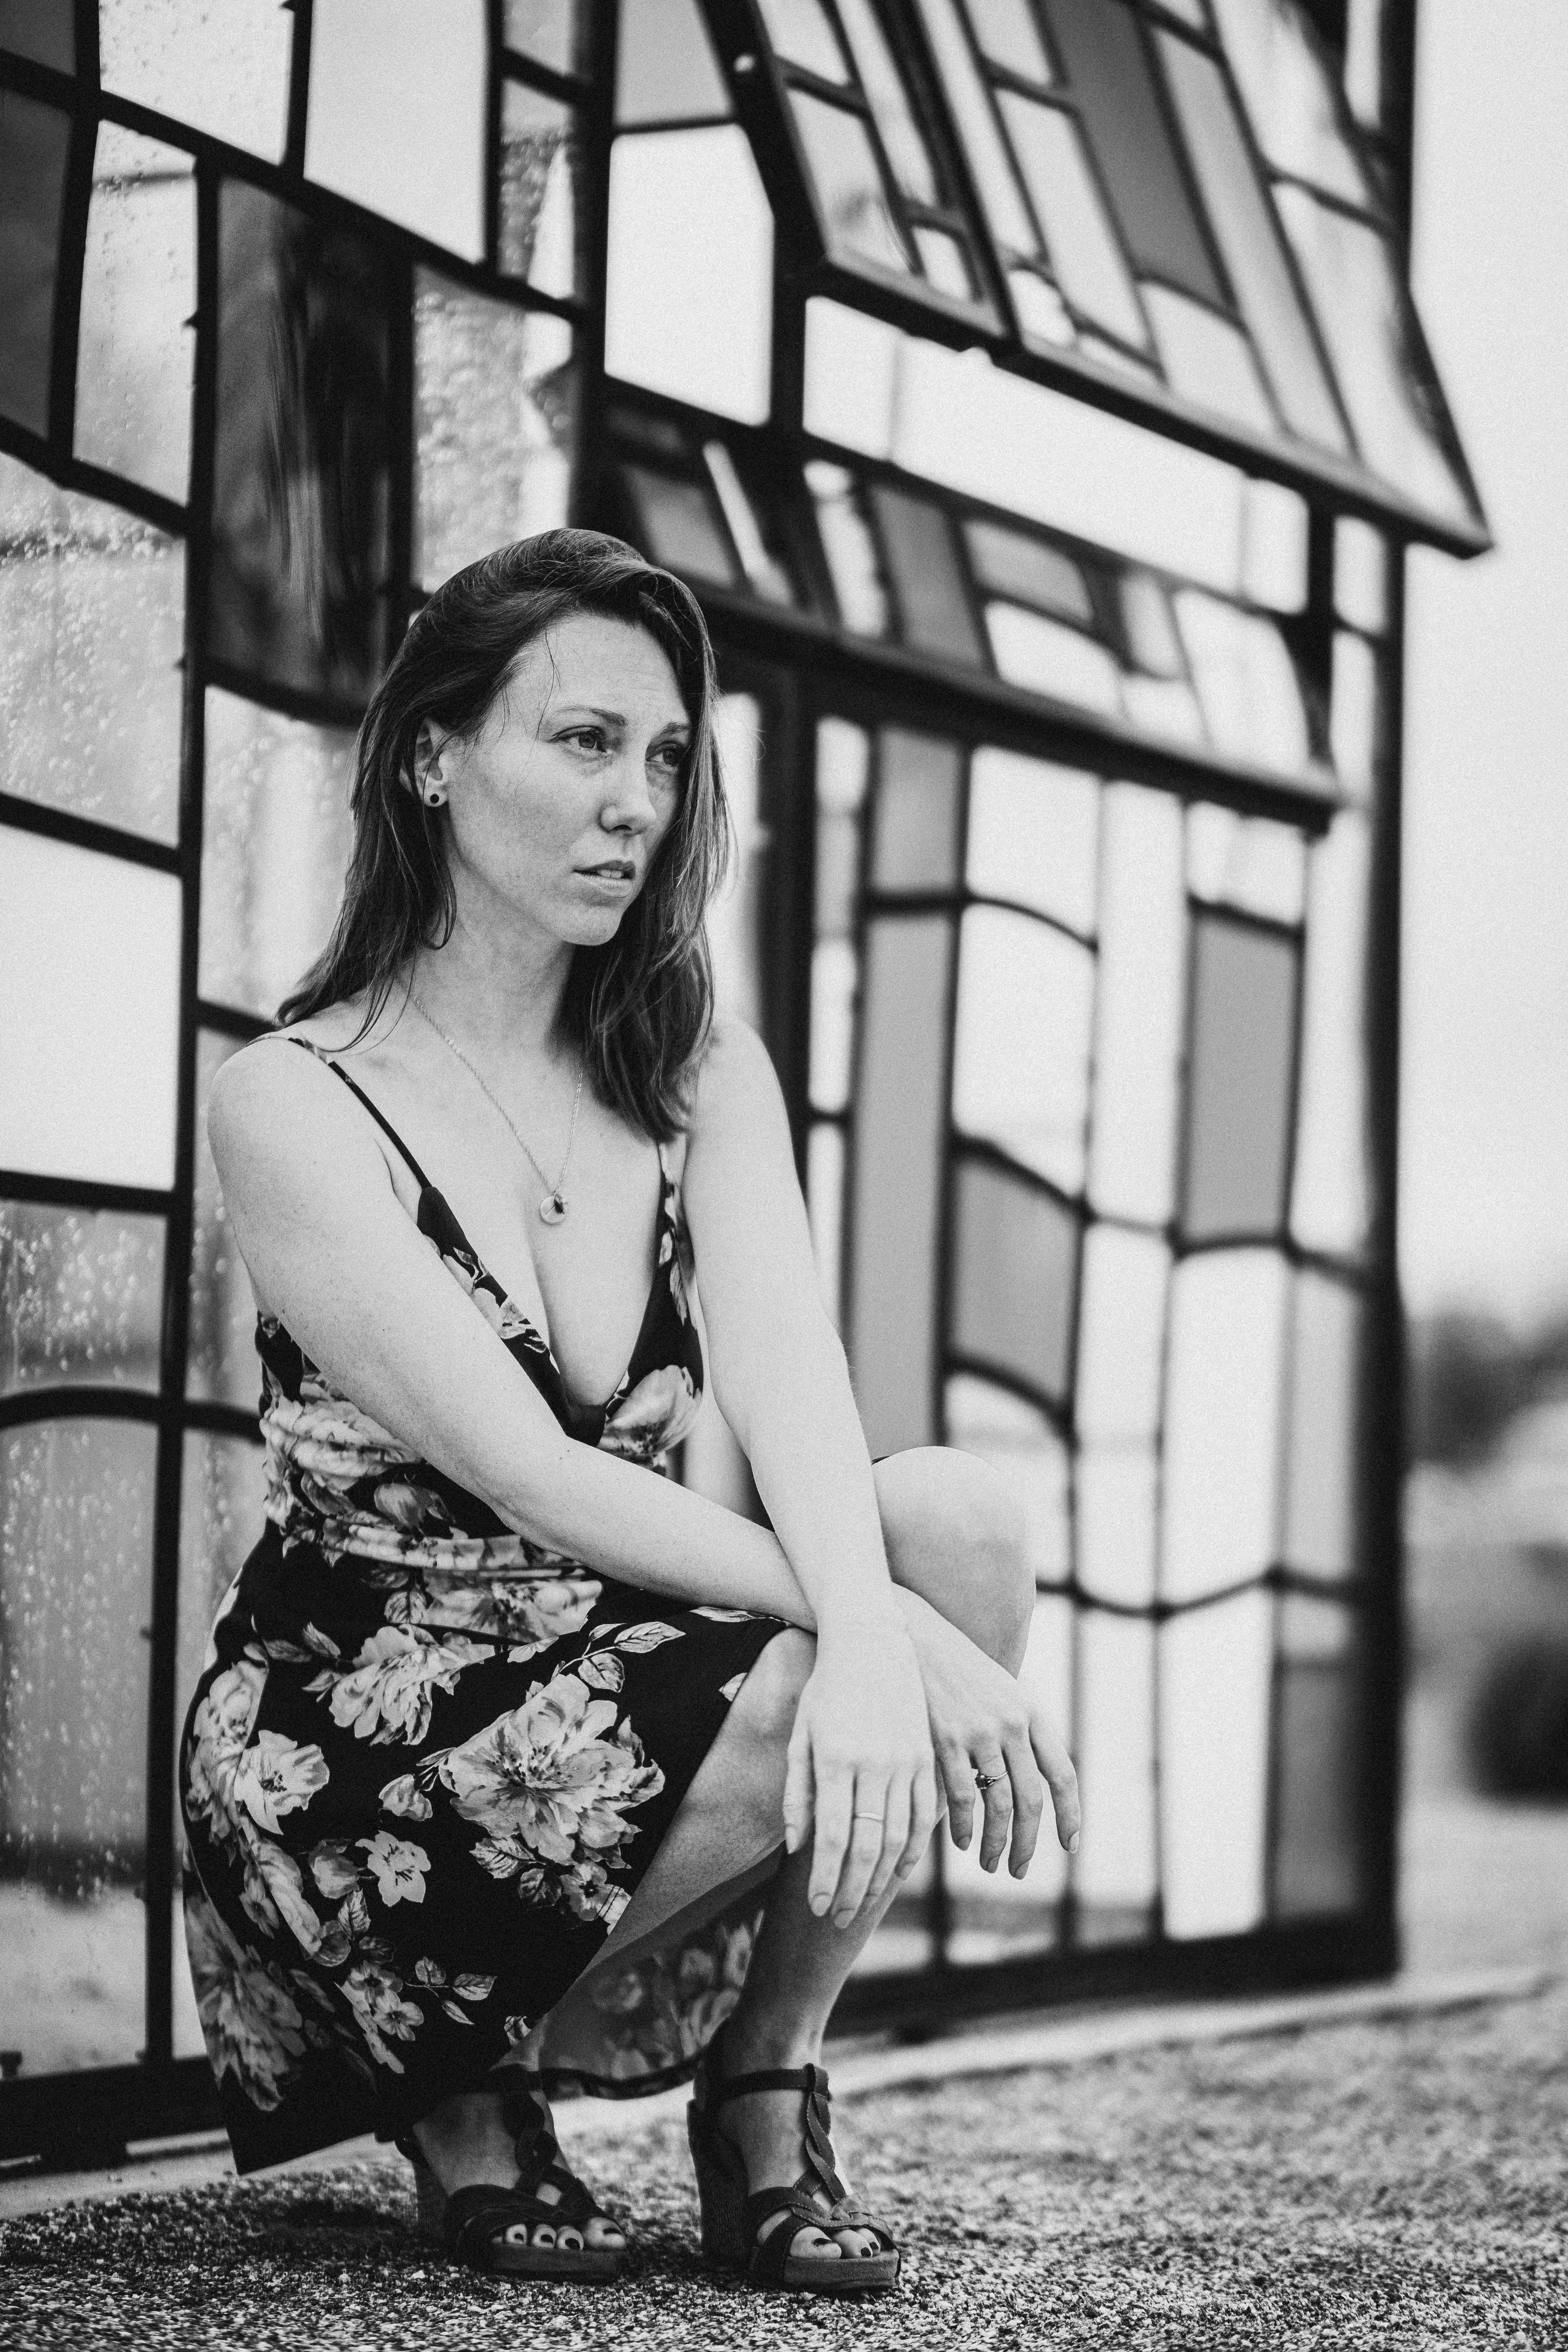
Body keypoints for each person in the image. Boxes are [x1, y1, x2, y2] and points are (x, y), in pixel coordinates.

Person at [179, 528, 1080, 2297]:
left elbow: (788, 1368)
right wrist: (874, 1628)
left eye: (665, 759)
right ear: (434, 759)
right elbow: (524, 1472)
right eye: (583, 742)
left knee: (957, 1525)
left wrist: (903, 1611)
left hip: (616, 1671)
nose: (637, 805)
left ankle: (764, 2079)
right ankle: (455, 2079)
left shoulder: (685, 1054)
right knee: (872, 1631)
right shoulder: (293, 1100)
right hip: (366, 1751)